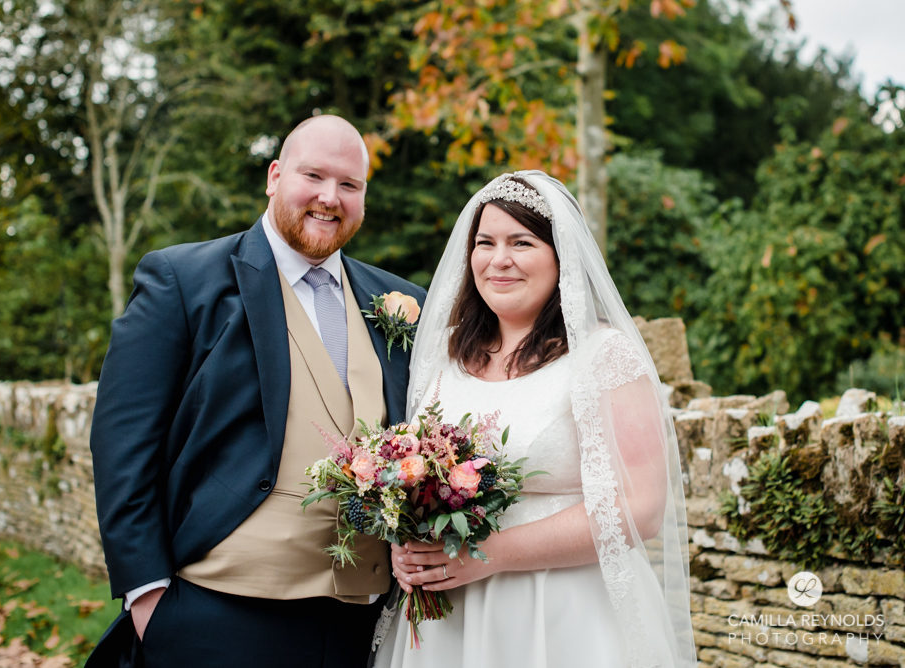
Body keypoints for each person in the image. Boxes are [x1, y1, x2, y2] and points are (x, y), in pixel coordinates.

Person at [86, 115, 425, 668]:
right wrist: (147, 597)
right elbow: (123, 443)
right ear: (273, 177)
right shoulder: (182, 281)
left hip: (361, 623)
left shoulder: (402, 302)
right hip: (218, 617)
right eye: (312, 175)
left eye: (349, 185)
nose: (328, 197)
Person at [371, 172, 697, 668]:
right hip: (446, 621)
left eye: (521, 242)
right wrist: (408, 544)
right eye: (485, 243)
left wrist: (490, 555)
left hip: (562, 612)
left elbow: (642, 507)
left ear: (560, 254)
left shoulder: (604, 356)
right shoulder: (442, 351)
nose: (499, 259)